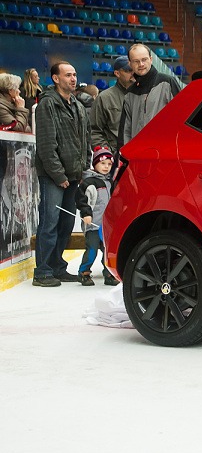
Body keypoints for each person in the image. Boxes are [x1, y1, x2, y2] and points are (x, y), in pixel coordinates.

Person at [33, 61, 90, 287]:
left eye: (74, 74)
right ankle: (43, 271)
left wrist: (83, 168)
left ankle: (57, 266)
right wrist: (59, 175)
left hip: (74, 175)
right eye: (68, 75)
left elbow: (84, 139)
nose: (73, 78)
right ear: (56, 78)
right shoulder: (47, 104)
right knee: (49, 223)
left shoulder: (78, 105)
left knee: (66, 224)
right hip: (53, 177)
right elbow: (46, 145)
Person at [117, 43, 181, 149]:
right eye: (136, 61)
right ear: (130, 64)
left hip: (165, 152)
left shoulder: (167, 83)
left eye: (144, 59)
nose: (141, 64)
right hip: (138, 154)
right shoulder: (129, 94)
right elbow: (125, 131)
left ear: (151, 59)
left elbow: (182, 118)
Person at [76, 146, 119, 286]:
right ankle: (84, 272)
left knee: (107, 251)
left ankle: (109, 273)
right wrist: (86, 214)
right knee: (92, 250)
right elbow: (82, 200)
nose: (106, 167)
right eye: (102, 163)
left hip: (106, 226)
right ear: (95, 164)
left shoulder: (109, 182)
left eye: (109, 164)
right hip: (93, 225)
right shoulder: (89, 182)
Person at [91, 56, 136, 153]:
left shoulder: (144, 96)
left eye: (134, 70)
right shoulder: (105, 98)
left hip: (140, 155)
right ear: (117, 73)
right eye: (128, 70)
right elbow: (94, 131)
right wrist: (107, 153)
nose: (133, 73)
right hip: (116, 155)